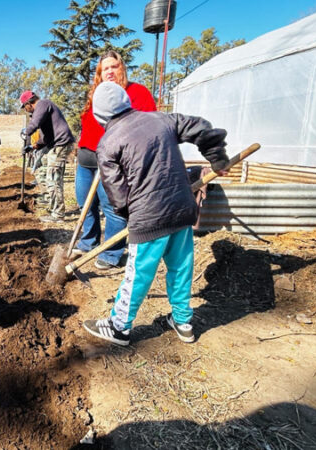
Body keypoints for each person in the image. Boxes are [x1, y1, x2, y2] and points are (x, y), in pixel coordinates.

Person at [82, 82, 230, 347]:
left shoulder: (108, 143)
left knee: (137, 274)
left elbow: (116, 192)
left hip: (150, 217)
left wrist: (131, 215)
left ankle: (119, 328)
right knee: (181, 268)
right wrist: (217, 157)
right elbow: (201, 127)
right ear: (126, 101)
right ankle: (183, 321)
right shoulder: (161, 119)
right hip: (183, 209)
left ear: (100, 115)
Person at [75, 50, 158, 270]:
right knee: (85, 203)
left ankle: (111, 252)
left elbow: (149, 126)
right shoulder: (95, 93)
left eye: (114, 66)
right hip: (86, 159)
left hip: (113, 161)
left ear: (122, 68)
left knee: (112, 206)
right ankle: (88, 242)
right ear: (99, 73)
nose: (109, 72)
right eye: (105, 69)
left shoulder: (136, 92)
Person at [19, 90, 75, 223]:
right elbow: (45, 138)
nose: (26, 111)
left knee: (53, 179)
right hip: (54, 145)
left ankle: (58, 214)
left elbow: (35, 123)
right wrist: (32, 147)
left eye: (24, 107)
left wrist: (26, 131)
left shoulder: (43, 104)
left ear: (29, 103)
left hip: (60, 144)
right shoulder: (44, 113)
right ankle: (53, 206)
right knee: (43, 174)